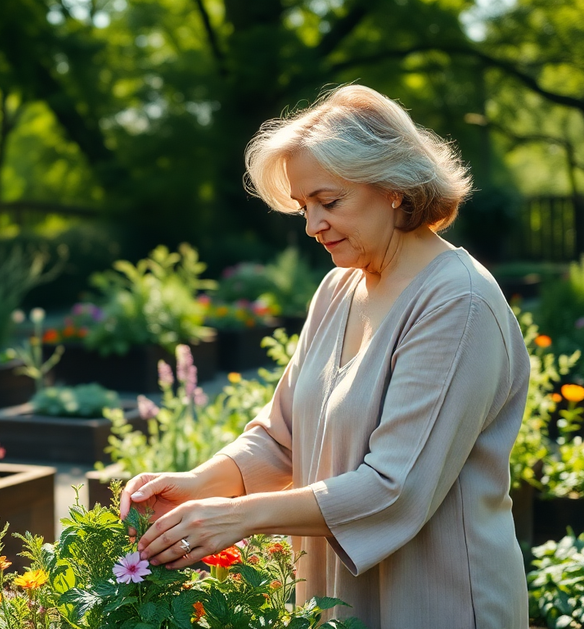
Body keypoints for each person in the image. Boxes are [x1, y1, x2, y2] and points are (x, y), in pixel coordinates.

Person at [119, 85, 530, 628]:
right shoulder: (339, 288)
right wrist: (202, 482)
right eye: (303, 207)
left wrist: (237, 518)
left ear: (393, 188)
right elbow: (280, 436)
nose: (313, 226)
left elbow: (394, 486)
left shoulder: (459, 303)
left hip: (439, 597)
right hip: (338, 595)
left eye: (329, 202)